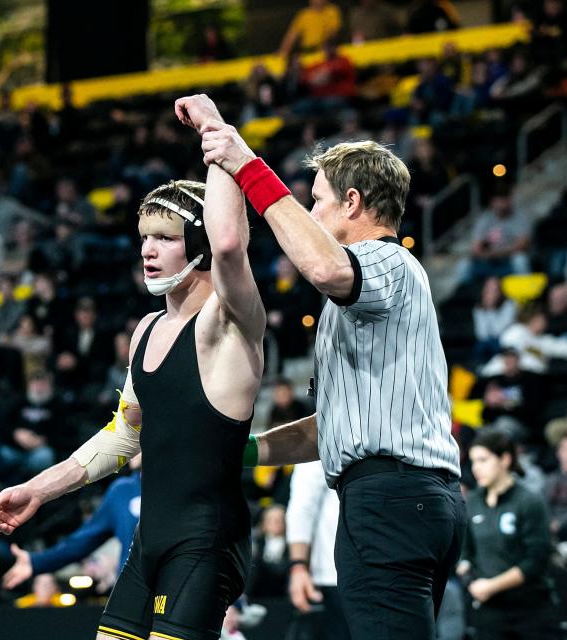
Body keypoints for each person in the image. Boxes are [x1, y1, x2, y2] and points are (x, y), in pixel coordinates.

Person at [174, 94, 465, 640]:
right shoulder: (372, 296)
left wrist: (244, 162)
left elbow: (322, 266)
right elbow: (331, 426)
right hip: (415, 498)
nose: (310, 214)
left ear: (352, 203)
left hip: (389, 499)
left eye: (318, 201)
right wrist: (246, 451)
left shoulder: (384, 260)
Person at [0, 167, 267, 640]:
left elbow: (232, 247)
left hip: (206, 539)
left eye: (164, 237)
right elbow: (123, 435)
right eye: (144, 237)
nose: (147, 250)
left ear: (199, 242)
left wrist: (219, 145)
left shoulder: (229, 323)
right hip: (148, 541)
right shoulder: (146, 330)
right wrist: (37, 489)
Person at [458, 430, 560, 639]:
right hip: (489, 612)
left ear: (505, 459)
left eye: (483, 460)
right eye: (473, 461)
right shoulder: (473, 501)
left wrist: (491, 586)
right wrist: (468, 575)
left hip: (530, 609)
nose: (476, 468)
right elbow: (465, 551)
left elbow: (536, 560)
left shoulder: (529, 501)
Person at [2, 455, 142, 589]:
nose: (136, 445)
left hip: (163, 588)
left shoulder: (162, 488)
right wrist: (36, 562)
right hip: (134, 591)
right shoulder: (122, 491)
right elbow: (83, 540)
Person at [285, 460, 350, 640]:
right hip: (333, 575)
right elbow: (302, 506)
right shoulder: (320, 436)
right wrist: (298, 567)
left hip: (380, 571)